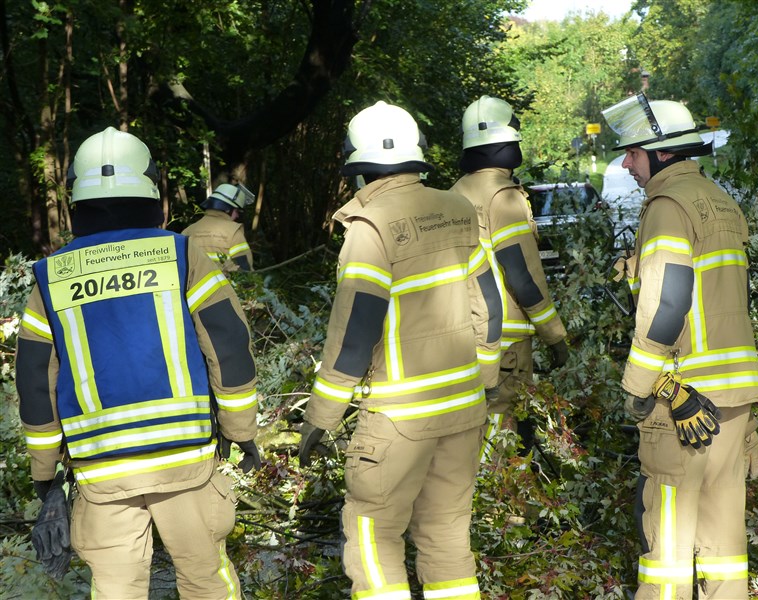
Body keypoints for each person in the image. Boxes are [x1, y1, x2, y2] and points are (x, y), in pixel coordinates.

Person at [15, 127, 262, 598]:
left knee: (116, 589)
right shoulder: (182, 255)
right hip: (185, 460)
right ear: (151, 189)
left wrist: (45, 474)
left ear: (77, 197)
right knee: (206, 579)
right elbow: (228, 345)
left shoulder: (49, 279)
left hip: (100, 467)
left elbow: (33, 380)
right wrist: (240, 429)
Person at [298, 101, 502, 600]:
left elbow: (355, 333)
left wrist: (321, 417)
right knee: (447, 535)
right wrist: (484, 380)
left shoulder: (370, 227)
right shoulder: (457, 209)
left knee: (373, 533)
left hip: (398, 418)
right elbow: (491, 307)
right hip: (463, 410)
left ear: (357, 165)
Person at [601, 94, 758, 599]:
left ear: (662, 152)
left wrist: (637, 388)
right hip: (733, 398)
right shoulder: (719, 200)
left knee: (668, 547)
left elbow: (667, 305)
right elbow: (729, 305)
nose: (626, 165)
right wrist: (749, 424)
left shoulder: (668, 207)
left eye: (632, 153)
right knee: (724, 541)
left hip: (683, 400)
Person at [450, 95, 568, 460]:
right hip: (505, 345)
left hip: (462, 336)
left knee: (470, 431)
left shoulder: (452, 195)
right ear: (508, 143)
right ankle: (500, 499)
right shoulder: (503, 197)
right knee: (504, 438)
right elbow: (522, 277)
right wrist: (555, 336)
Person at [182, 182, 255, 273]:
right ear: (227, 209)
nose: (237, 216)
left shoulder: (187, 232)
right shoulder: (234, 234)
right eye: (236, 211)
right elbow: (245, 272)